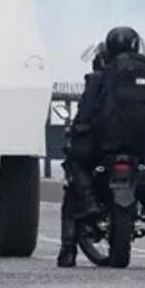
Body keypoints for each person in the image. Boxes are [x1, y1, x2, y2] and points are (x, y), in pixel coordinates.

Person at [77, 26, 145, 266]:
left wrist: (79, 130)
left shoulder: (103, 74)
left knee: (75, 161)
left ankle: (88, 206)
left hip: (110, 145)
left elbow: (87, 112)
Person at [57, 48, 108, 268]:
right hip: (142, 146)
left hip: (102, 145)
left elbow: (85, 112)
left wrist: (76, 131)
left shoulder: (99, 80)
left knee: (73, 168)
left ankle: (68, 251)